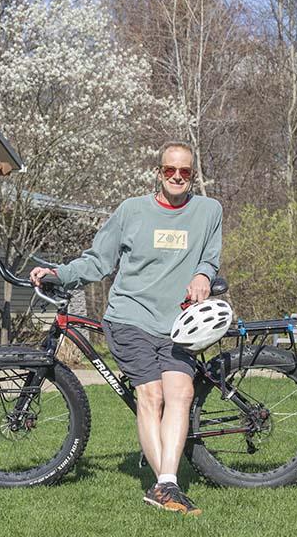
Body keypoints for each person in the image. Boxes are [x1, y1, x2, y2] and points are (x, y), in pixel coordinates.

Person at [30, 142, 222, 515]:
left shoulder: (208, 210)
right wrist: (60, 274)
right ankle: (167, 484)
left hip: (179, 324)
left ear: (193, 175)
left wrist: (202, 274)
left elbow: (210, 257)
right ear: (158, 172)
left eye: (185, 172)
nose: (177, 177)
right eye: (170, 171)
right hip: (130, 317)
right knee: (151, 395)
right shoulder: (132, 210)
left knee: (179, 394)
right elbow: (99, 260)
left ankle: (164, 482)